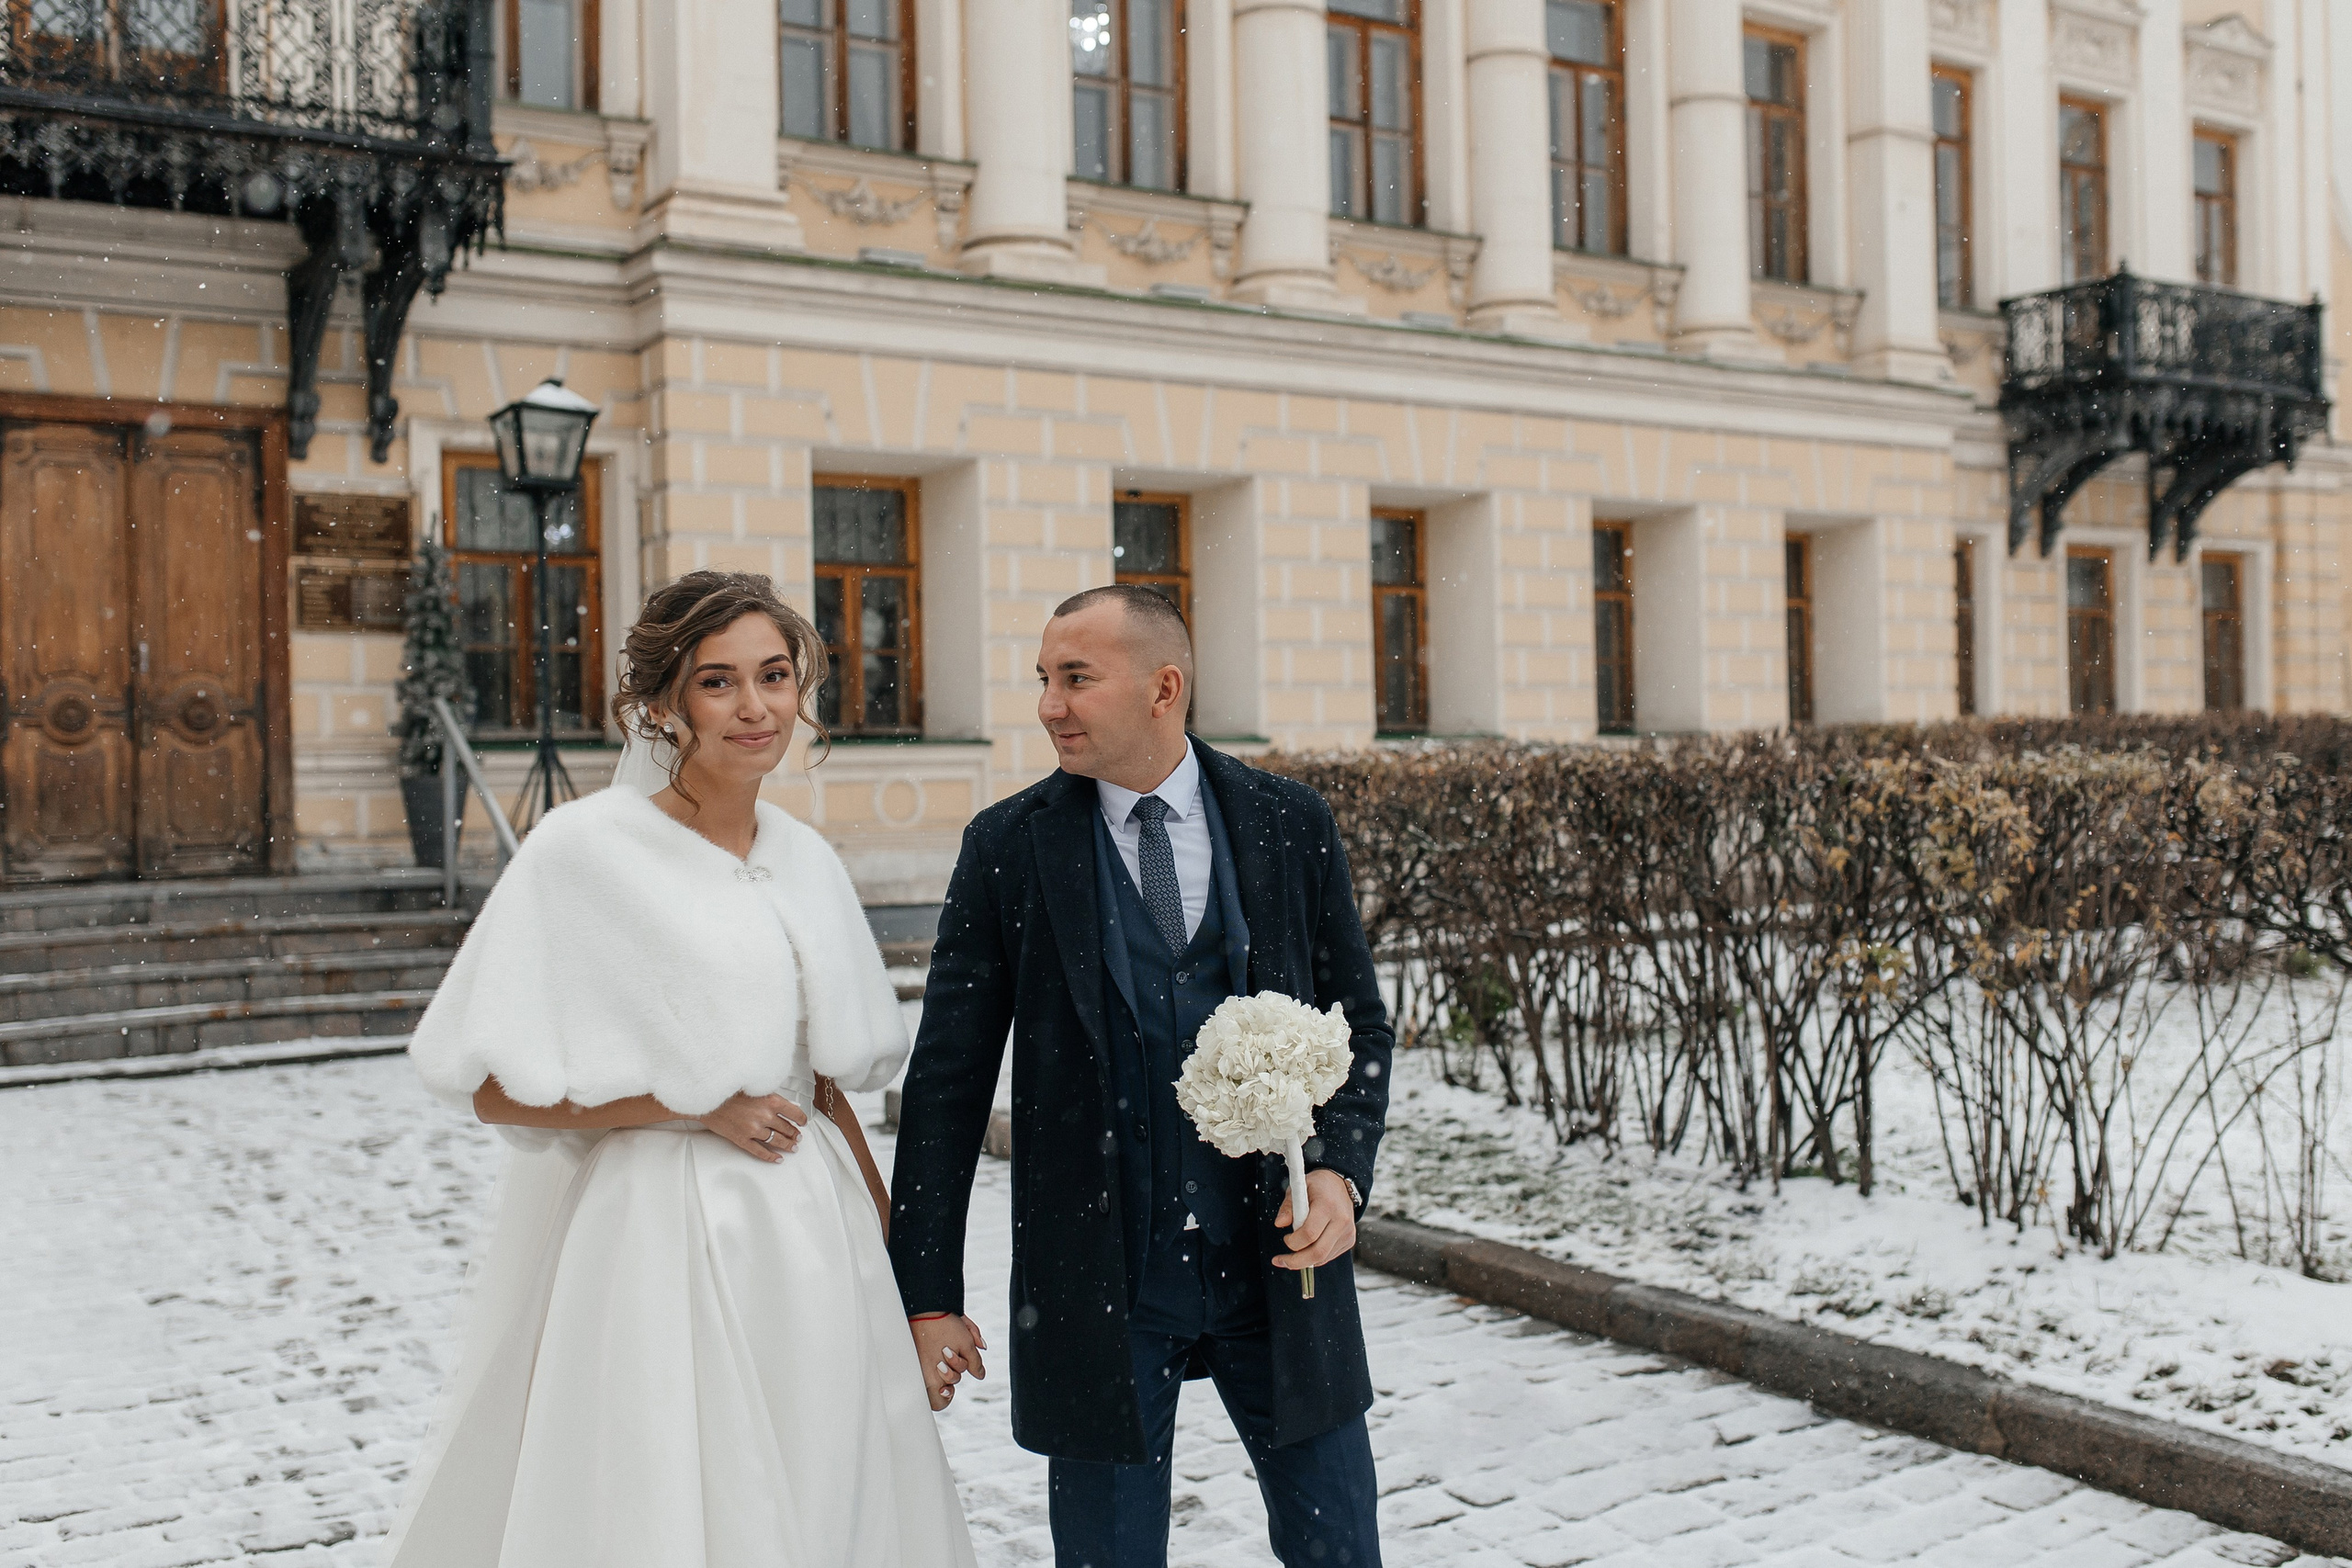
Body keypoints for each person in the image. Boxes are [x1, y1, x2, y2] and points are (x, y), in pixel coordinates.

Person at [386, 570, 976, 1568]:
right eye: (719, 683)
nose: (755, 708)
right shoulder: (585, 852)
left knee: (835, 1493)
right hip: (656, 1244)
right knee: (673, 1502)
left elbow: (826, 1093)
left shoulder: (806, 858)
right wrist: (692, 1106)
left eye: (775, 677)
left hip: (820, 1248)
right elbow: (493, 1089)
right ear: (662, 704)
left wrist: (910, 1291)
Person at [888, 584, 1393, 1568]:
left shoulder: (1287, 823)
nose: (1049, 704)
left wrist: (1338, 1169)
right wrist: (925, 1293)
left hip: (1278, 1270)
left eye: (1076, 678)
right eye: (1044, 679)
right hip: (1096, 1283)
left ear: (1163, 687)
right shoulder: (1007, 849)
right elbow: (946, 1082)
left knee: (1341, 1550)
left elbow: (1359, 1023)